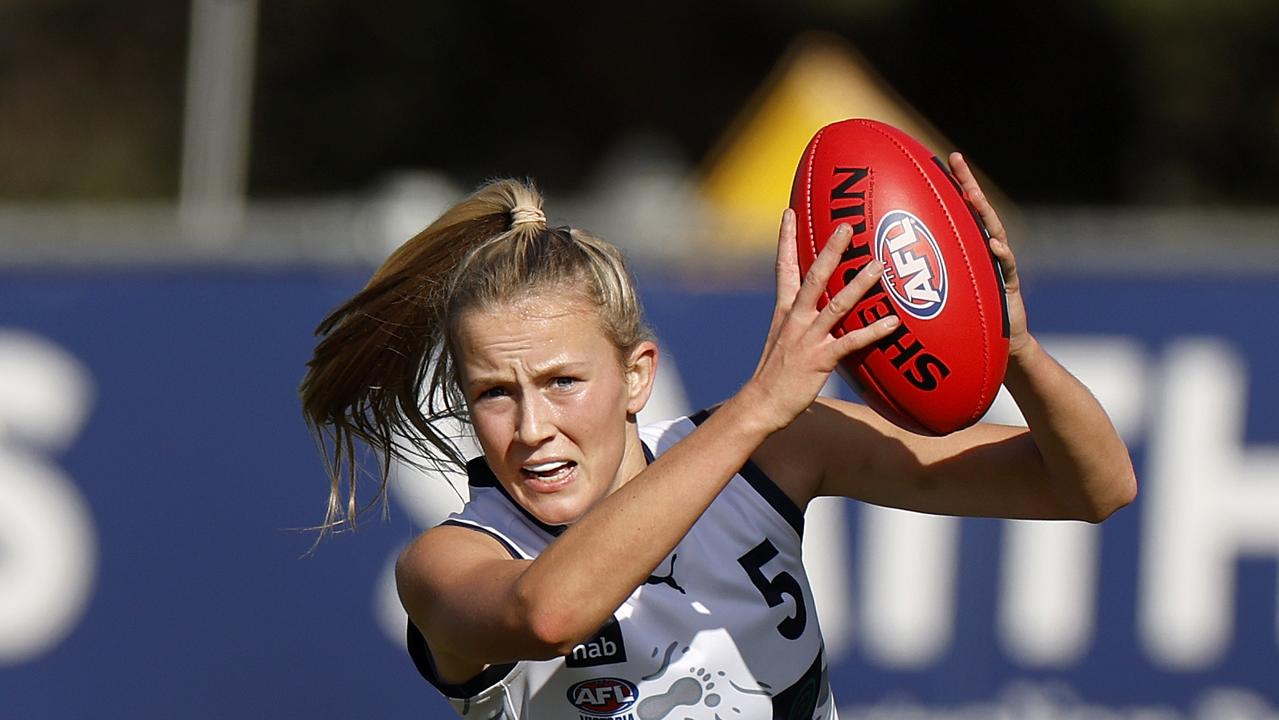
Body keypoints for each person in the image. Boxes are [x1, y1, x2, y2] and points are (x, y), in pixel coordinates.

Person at [299, 154, 1136, 720]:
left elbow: (1090, 488)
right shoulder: (451, 562)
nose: (530, 428)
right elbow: (549, 613)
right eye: (492, 394)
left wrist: (1008, 344)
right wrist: (756, 408)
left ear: (637, 376)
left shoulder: (777, 454)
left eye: (562, 382)